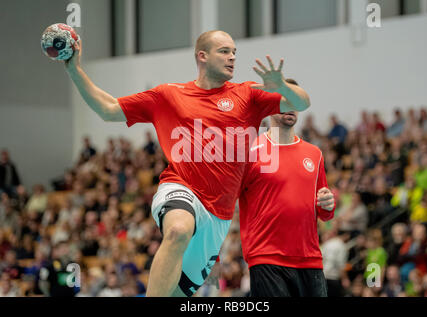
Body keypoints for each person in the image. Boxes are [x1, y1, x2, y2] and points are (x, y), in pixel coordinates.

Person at [63, 30, 311, 297]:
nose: (232, 58)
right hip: (181, 188)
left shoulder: (248, 94)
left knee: (179, 295)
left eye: (234, 52)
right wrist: (74, 69)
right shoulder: (168, 96)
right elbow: (108, 109)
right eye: (224, 51)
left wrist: (282, 85)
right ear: (202, 56)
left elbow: (301, 102)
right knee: (178, 230)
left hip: (219, 217)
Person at [238, 79, 335, 296]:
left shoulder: (314, 154)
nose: (290, 106)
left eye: (295, 101)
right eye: (284, 100)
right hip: (265, 257)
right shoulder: (249, 151)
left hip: (310, 260)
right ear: (269, 104)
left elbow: (325, 212)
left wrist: (328, 204)